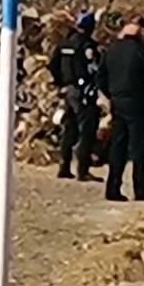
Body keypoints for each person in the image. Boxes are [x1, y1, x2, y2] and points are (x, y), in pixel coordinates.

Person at [97, 20, 144, 202]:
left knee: (118, 147)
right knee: (139, 148)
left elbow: (100, 77)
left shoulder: (111, 50)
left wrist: (111, 95)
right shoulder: (140, 51)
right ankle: (140, 188)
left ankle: (113, 188)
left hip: (117, 102)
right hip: (138, 102)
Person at [48, 11, 102, 182]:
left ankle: (64, 166)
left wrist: (60, 83)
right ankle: (82, 169)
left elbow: (52, 65)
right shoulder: (87, 45)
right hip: (83, 91)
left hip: (68, 90)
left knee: (69, 128)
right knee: (87, 129)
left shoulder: (64, 44)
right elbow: (94, 67)